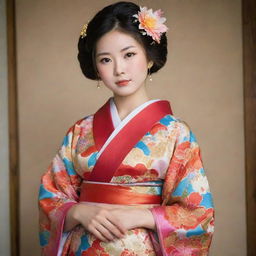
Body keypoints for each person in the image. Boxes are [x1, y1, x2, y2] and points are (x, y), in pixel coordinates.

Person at [38, 1, 214, 255]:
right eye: (106, 59)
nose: (119, 69)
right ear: (96, 67)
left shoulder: (176, 133)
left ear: (149, 58)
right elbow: (51, 196)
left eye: (129, 54)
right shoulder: (80, 130)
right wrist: (78, 211)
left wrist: (142, 216)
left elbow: (197, 213)